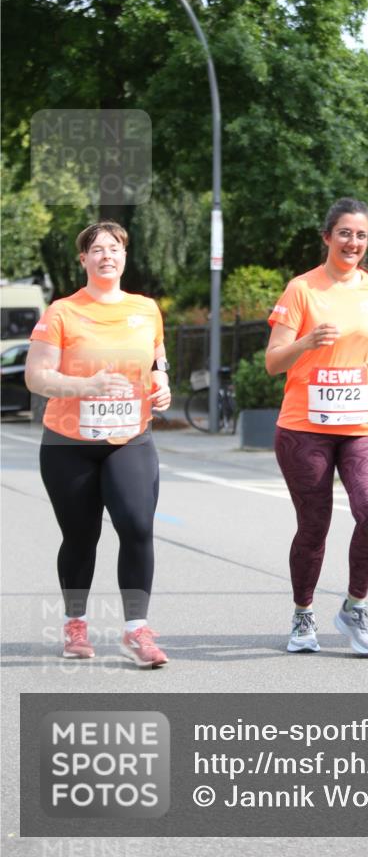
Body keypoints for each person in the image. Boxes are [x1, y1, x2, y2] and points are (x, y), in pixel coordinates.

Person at [25, 221, 171, 668]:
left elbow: (156, 357)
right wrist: (86, 384)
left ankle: (136, 631)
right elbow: (37, 376)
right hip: (69, 443)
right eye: (97, 249)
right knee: (81, 536)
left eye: (115, 248)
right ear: (83, 260)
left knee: (137, 526)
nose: (107, 255)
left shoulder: (146, 309)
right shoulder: (62, 312)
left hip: (131, 437)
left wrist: (162, 382)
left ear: (125, 257)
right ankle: (75, 623)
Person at [266, 198, 368, 656]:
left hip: (365, 422)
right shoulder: (302, 290)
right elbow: (272, 361)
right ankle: (303, 614)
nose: (353, 242)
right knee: (314, 526)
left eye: (361, 235)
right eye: (344, 233)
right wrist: (306, 341)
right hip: (306, 427)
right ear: (327, 237)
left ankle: (355, 607)